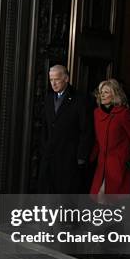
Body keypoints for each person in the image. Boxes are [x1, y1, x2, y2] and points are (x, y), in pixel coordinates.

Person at [38, 65, 94, 194]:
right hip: (50, 157)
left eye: (57, 79)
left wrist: (81, 157)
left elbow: (86, 130)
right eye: (51, 79)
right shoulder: (48, 98)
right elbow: (45, 126)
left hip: (69, 158)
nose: (53, 83)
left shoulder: (80, 99)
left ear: (66, 78)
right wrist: (44, 148)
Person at [90, 79, 130, 196]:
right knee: (99, 198)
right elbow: (97, 140)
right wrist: (90, 158)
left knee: (112, 201)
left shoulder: (123, 114)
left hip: (118, 164)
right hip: (101, 164)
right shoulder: (96, 113)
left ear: (115, 94)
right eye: (101, 92)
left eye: (106, 92)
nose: (102, 95)